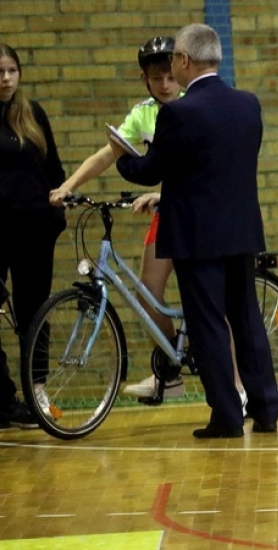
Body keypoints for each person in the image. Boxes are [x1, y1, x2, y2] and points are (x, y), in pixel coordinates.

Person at [115, 23, 278, 439]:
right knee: (246, 320)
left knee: (208, 325)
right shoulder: (249, 105)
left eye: (174, 61)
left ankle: (226, 416)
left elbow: (151, 169)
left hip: (195, 237)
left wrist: (123, 157)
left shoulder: (179, 113)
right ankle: (266, 409)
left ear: (185, 61)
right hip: (241, 232)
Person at [49, 36, 194, 400]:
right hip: (168, 215)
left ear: (181, 71)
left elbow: (203, 168)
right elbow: (107, 155)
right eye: (156, 78)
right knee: (147, 295)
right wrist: (67, 185)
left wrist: (164, 193)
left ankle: (231, 377)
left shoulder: (194, 106)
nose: (165, 85)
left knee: (206, 296)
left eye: (170, 77)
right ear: (143, 78)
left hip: (197, 213)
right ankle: (171, 368)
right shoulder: (143, 113)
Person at [0, 43, 66, 430]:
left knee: (34, 313)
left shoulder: (32, 113)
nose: (5, 78)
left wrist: (56, 213)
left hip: (34, 229)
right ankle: (3, 397)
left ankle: (36, 390)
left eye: (11, 70)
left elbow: (53, 169)